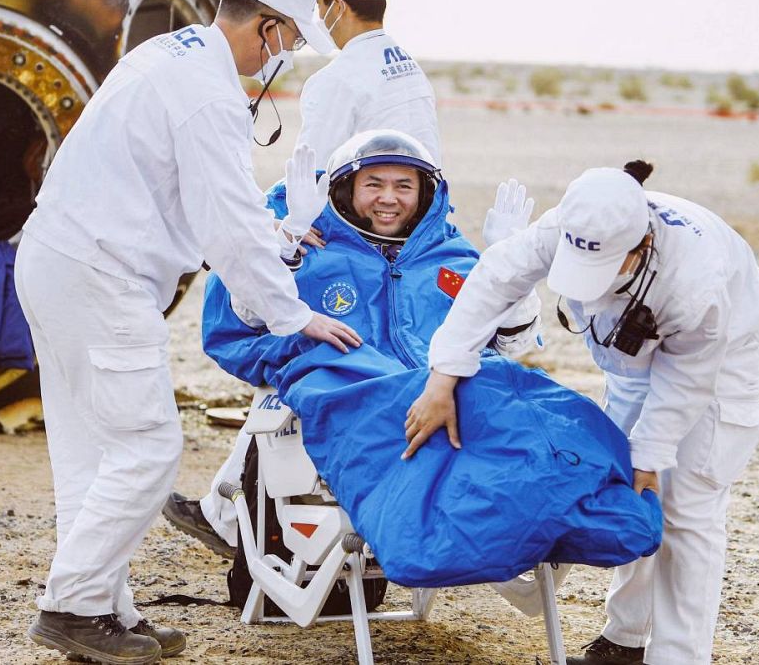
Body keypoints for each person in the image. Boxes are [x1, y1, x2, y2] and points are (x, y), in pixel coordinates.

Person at [13, 0, 362, 664]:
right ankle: (71, 606)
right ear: (265, 26)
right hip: (102, 275)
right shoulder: (208, 95)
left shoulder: (166, 55)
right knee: (148, 445)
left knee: (95, 450)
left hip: (57, 259)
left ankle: (102, 611)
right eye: (287, 41)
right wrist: (292, 315)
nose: (284, 58)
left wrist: (278, 236)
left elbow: (194, 200)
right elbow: (226, 223)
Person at [407, 161, 759, 665]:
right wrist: (443, 375)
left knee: (687, 503)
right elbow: (495, 279)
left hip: (723, 355)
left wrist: (652, 451)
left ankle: (679, 657)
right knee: (627, 481)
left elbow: (688, 380)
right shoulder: (574, 220)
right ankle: (624, 641)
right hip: (635, 356)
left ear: (640, 247)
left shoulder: (696, 281)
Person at [162, 130, 541, 557]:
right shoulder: (315, 249)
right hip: (355, 407)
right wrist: (286, 240)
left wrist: (512, 268)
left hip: (441, 407)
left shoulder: (450, 257)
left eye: (404, 186)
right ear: (347, 188)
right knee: (290, 388)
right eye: (373, 185)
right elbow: (251, 315)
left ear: (424, 193)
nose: (389, 199)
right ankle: (232, 518)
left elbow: (511, 344)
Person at [295, 0, 442, 166]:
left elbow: (310, 173)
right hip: (424, 195)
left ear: (337, 6)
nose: (320, 16)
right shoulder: (410, 67)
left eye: (319, 5)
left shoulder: (334, 79)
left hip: (379, 197)